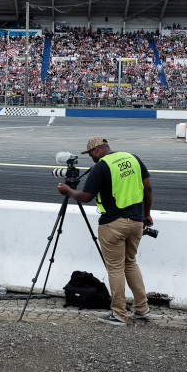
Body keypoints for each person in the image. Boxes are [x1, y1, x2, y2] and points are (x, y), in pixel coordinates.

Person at [57, 136, 152, 326]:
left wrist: (68, 191)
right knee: (131, 263)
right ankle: (142, 308)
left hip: (113, 224)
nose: (92, 157)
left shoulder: (101, 166)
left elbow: (85, 196)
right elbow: (148, 189)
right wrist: (147, 214)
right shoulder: (133, 158)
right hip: (136, 222)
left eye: (91, 154)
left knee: (115, 268)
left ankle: (119, 313)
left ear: (97, 150)